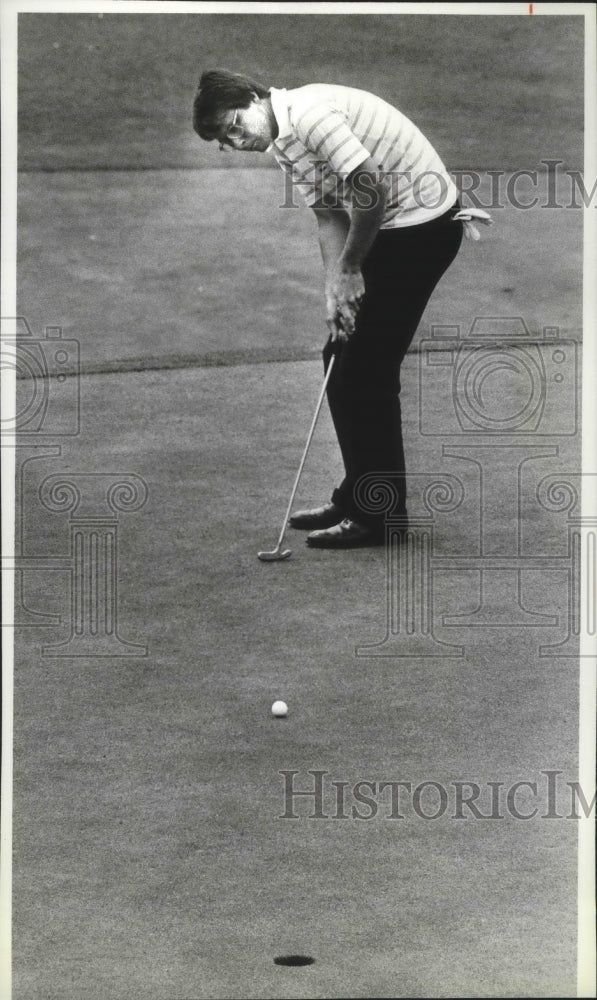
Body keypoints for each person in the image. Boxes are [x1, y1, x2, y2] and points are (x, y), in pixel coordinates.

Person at [193, 70, 478, 548]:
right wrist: (335, 287)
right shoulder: (282, 141)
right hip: (391, 227)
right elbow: (329, 214)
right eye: (226, 139)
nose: (237, 139)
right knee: (338, 358)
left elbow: (369, 193)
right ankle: (357, 497)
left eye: (236, 125)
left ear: (254, 97)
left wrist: (350, 271)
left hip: (423, 228)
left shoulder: (310, 117)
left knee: (365, 370)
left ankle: (380, 516)